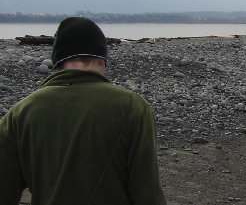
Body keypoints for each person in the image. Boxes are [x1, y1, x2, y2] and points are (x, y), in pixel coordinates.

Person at [0, 17, 167, 204]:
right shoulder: (133, 107)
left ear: (57, 64)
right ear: (102, 61)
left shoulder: (20, 113)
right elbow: (147, 193)